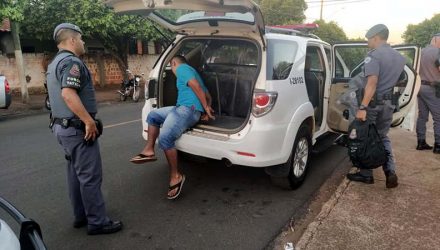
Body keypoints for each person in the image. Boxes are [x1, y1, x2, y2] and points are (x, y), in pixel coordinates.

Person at [47, 23, 122, 235]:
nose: (83, 42)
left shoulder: (54, 64)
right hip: (77, 130)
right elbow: (68, 94)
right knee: (90, 176)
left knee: (75, 173)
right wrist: (88, 121)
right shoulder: (71, 62)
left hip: (62, 128)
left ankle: (81, 216)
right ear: (72, 40)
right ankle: (98, 222)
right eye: (81, 39)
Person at [130, 55, 214, 199]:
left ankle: (176, 176)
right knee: (153, 116)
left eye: (171, 66)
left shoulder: (182, 68)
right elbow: (208, 94)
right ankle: (149, 150)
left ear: (173, 63)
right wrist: (207, 107)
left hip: (188, 109)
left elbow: (196, 86)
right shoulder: (194, 72)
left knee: (165, 138)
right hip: (182, 108)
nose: (172, 70)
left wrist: (205, 108)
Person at [346, 24, 406, 188]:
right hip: (389, 103)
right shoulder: (400, 57)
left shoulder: (374, 56)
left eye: (368, 39)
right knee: (383, 136)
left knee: (365, 136)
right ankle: (390, 171)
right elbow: (400, 80)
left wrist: (362, 107)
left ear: (376, 38)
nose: (367, 42)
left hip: (373, 103)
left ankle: (366, 174)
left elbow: (372, 83)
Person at [415, 33, 440, 154]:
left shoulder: (420, 52)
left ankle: (421, 142)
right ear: (435, 40)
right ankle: (438, 145)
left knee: (422, 116)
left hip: (419, 87)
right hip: (432, 88)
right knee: (438, 117)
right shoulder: (438, 52)